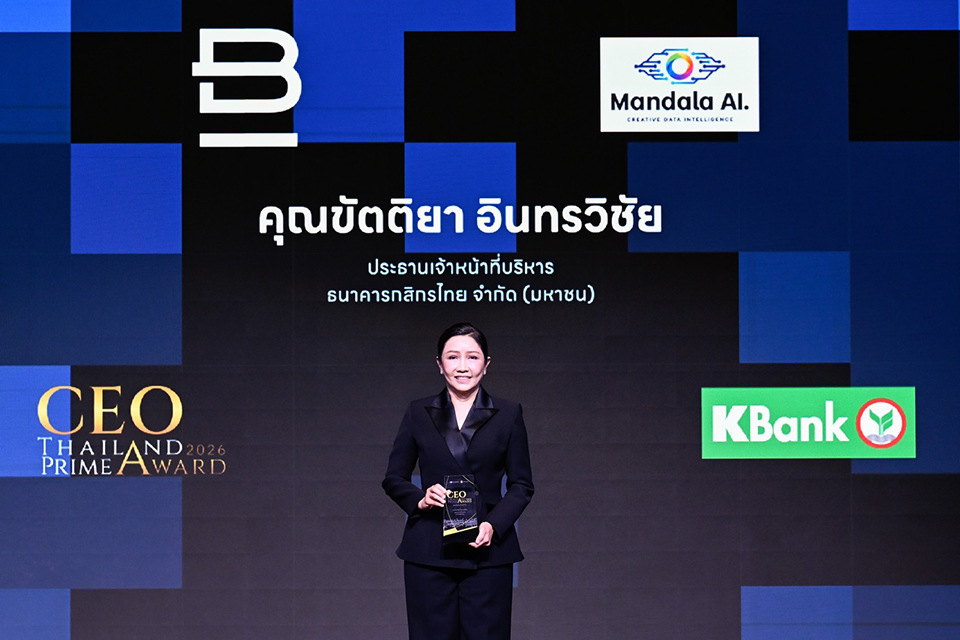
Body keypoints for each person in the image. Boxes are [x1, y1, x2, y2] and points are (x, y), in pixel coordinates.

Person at [383, 323, 534, 640]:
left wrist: (493, 525)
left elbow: (522, 485)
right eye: (453, 357)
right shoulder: (417, 412)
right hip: (429, 549)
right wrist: (421, 499)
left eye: (472, 357)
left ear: (486, 364)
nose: (462, 366)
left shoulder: (509, 413)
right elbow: (394, 478)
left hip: (489, 550)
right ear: (439, 364)